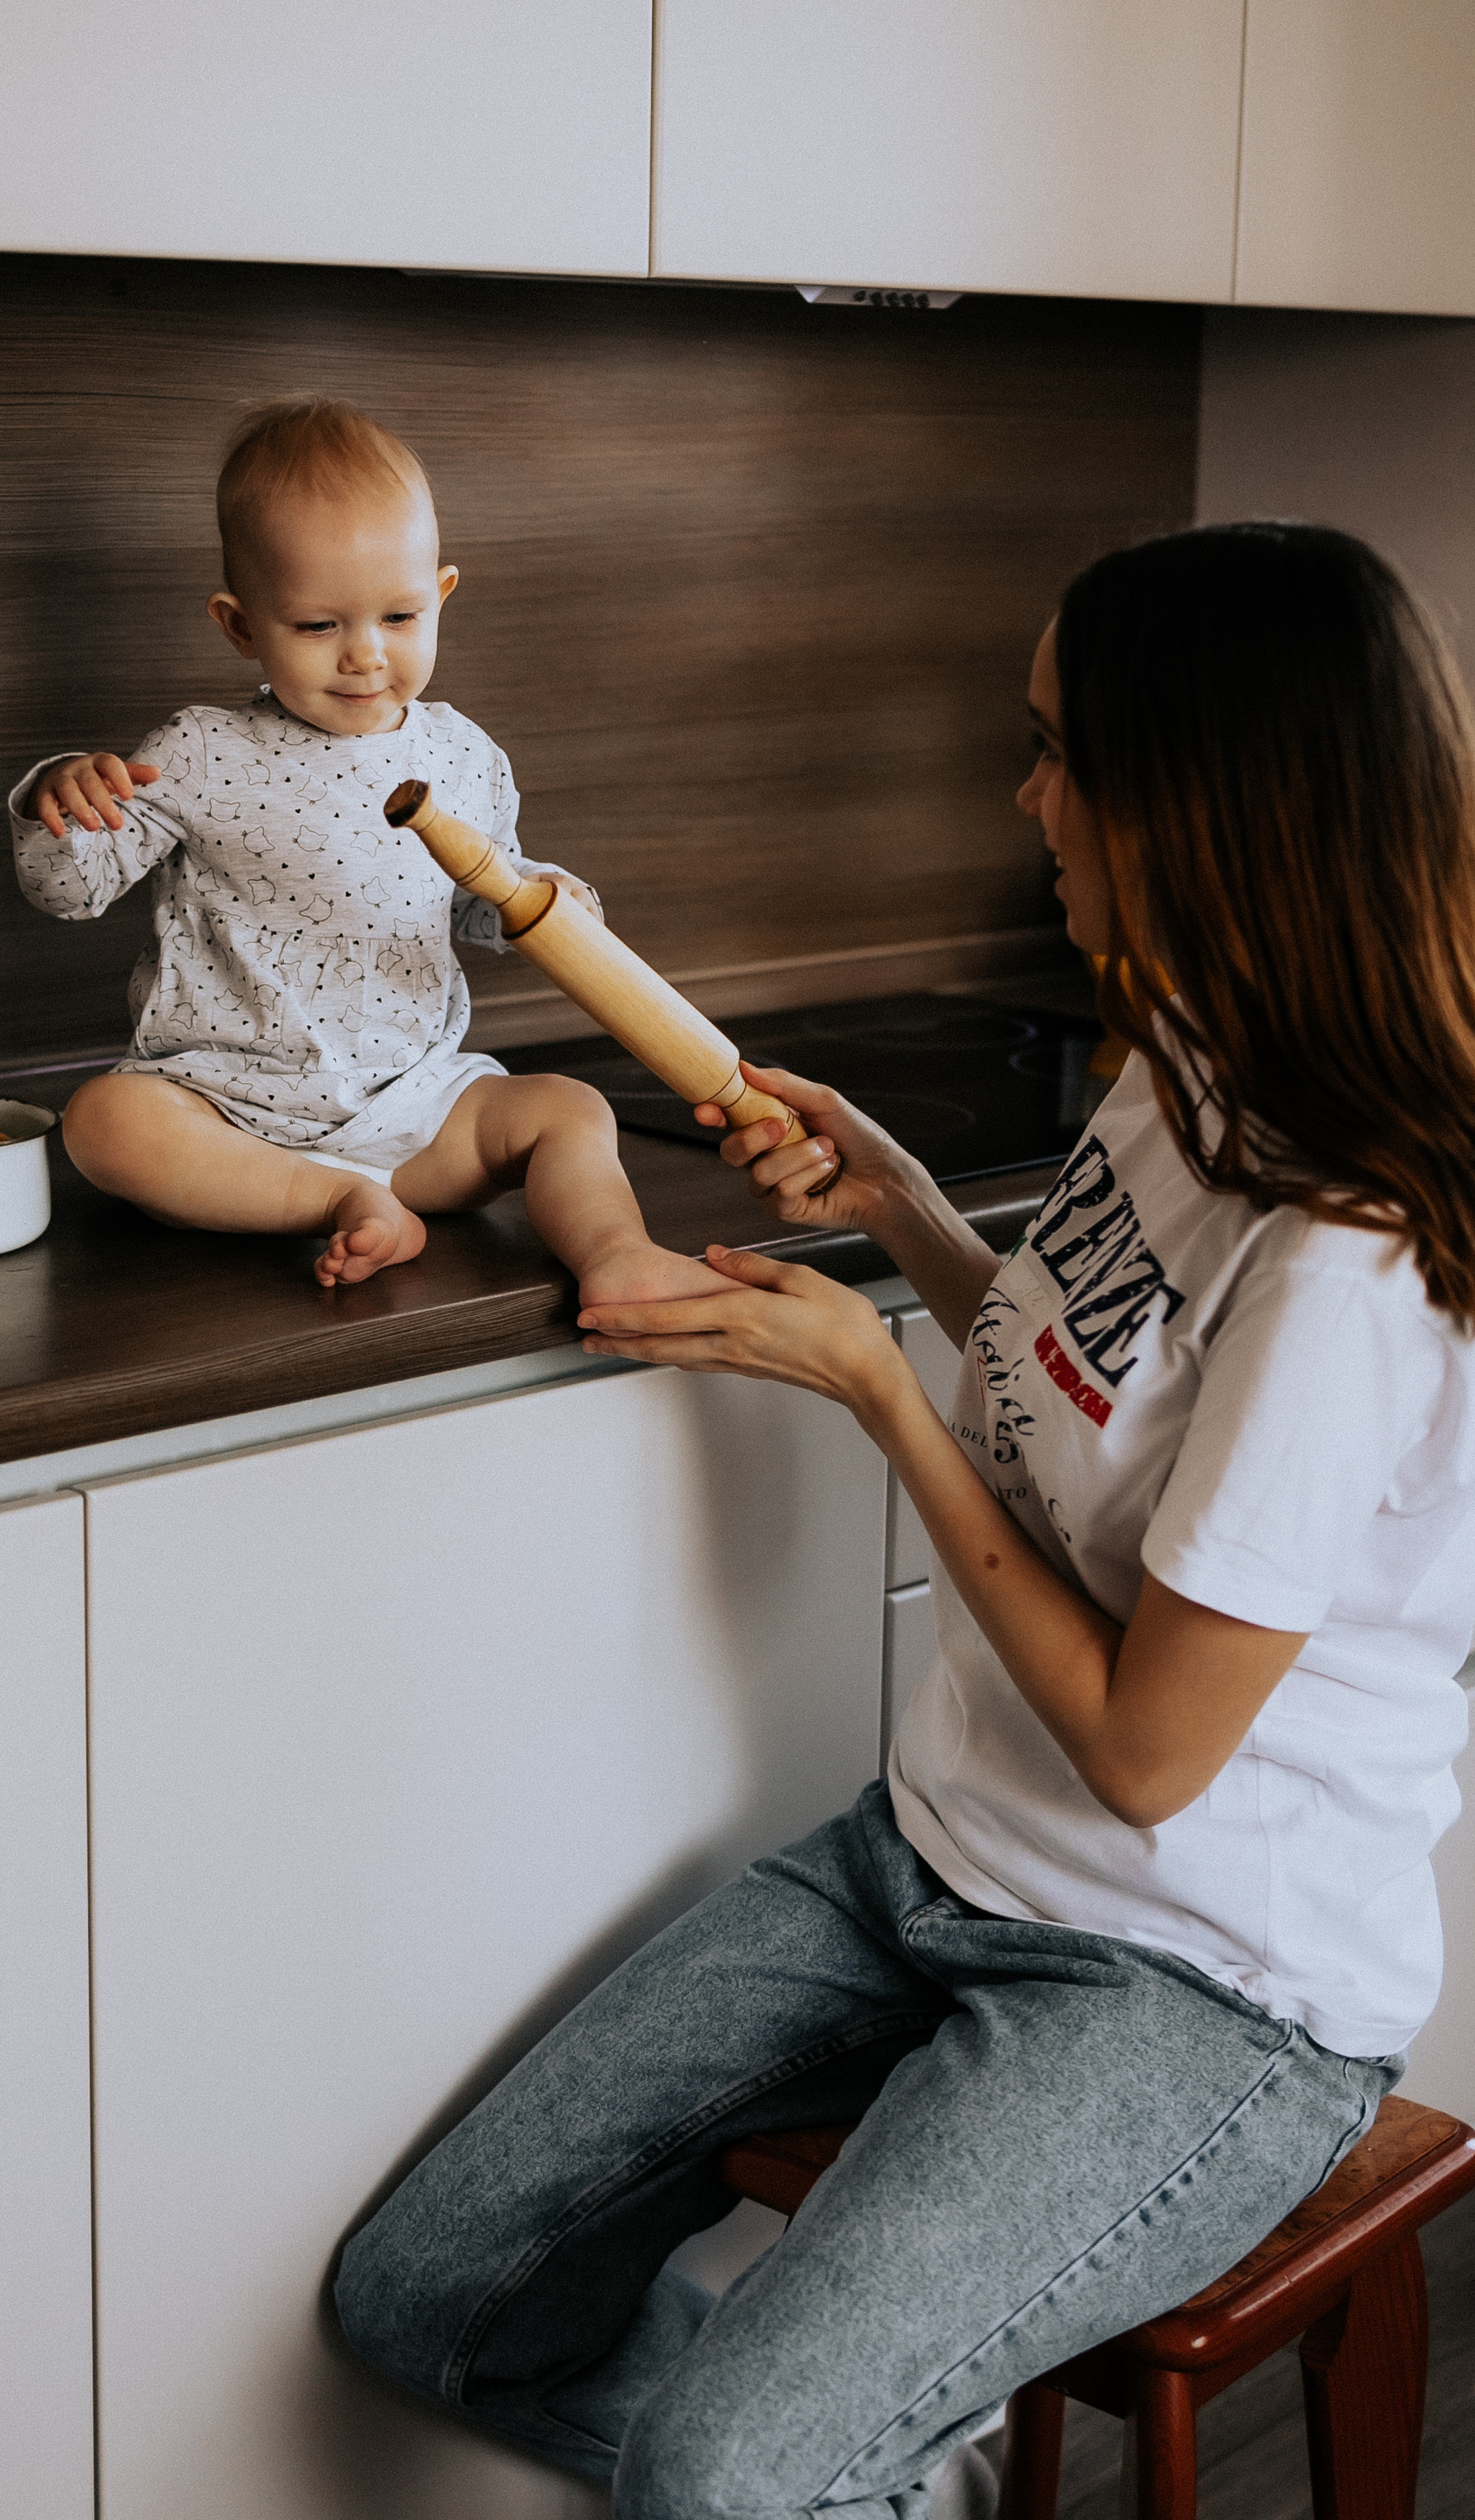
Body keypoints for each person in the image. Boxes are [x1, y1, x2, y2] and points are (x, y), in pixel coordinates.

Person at [333, 522, 1475, 2519]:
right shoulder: (1192, 1047)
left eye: (1054, 752)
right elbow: (1076, 1379)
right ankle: (874, 2475)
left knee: (720, 2472)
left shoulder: (1348, 1264)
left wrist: (876, 1392)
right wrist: (905, 1216)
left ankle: (819, 2468)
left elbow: (1148, 1755)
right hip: (937, 1853)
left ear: (1194, 795)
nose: (1024, 796)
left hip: (1202, 1982)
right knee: (425, 2298)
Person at [8, 397, 723, 1304]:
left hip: (417, 1116)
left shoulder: (462, 754)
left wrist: (541, 902)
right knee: (103, 1123)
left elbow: (479, 899)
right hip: (232, 1125)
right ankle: (339, 1200)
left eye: (399, 616)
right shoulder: (198, 750)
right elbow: (69, 892)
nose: (365, 656)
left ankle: (615, 1254)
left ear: (442, 595)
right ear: (240, 625)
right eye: (318, 626)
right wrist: (56, 802)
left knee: (570, 1109)